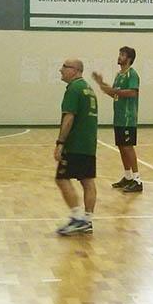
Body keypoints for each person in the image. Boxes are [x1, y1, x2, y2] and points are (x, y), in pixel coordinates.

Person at [54, 59, 98, 236]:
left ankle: (77, 217)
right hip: (89, 143)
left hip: (75, 144)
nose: (60, 70)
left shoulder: (73, 89)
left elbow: (69, 117)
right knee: (88, 181)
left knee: (61, 178)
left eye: (64, 67)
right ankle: (87, 220)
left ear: (75, 70)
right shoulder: (88, 89)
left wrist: (60, 143)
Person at [92, 46, 142, 193]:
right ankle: (127, 177)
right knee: (121, 146)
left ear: (129, 58)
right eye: (119, 54)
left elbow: (132, 93)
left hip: (128, 118)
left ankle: (137, 180)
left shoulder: (132, 74)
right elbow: (115, 94)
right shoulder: (119, 75)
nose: (119, 57)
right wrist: (101, 84)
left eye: (122, 55)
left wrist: (114, 91)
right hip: (118, 118)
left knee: (128, 147)